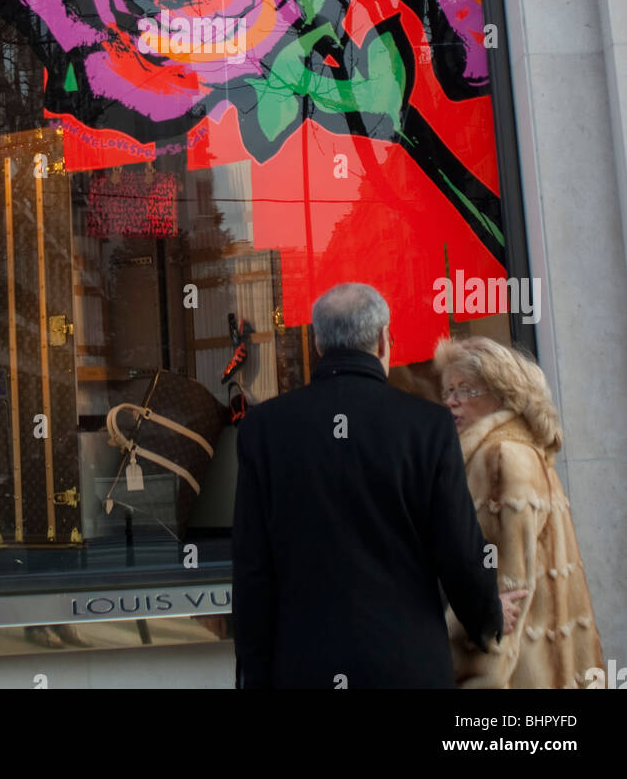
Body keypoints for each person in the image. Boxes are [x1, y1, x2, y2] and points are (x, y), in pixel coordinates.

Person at [232, 283, 525, 689]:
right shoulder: (428, 427)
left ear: (318, 343)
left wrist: (254, 672)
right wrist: (487, 616)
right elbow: (458, 549)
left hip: (302, 667)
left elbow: (251, 568)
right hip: (407, 667)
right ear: (385, 340)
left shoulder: (263, 429)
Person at [434, 336, 605, 689]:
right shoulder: (522, 451)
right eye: (448, 391)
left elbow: (503, 599)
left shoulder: (499, 459)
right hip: (546, 668)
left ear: (502, 394)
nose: (451, 401)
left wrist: (469, 678)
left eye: (465, 390)